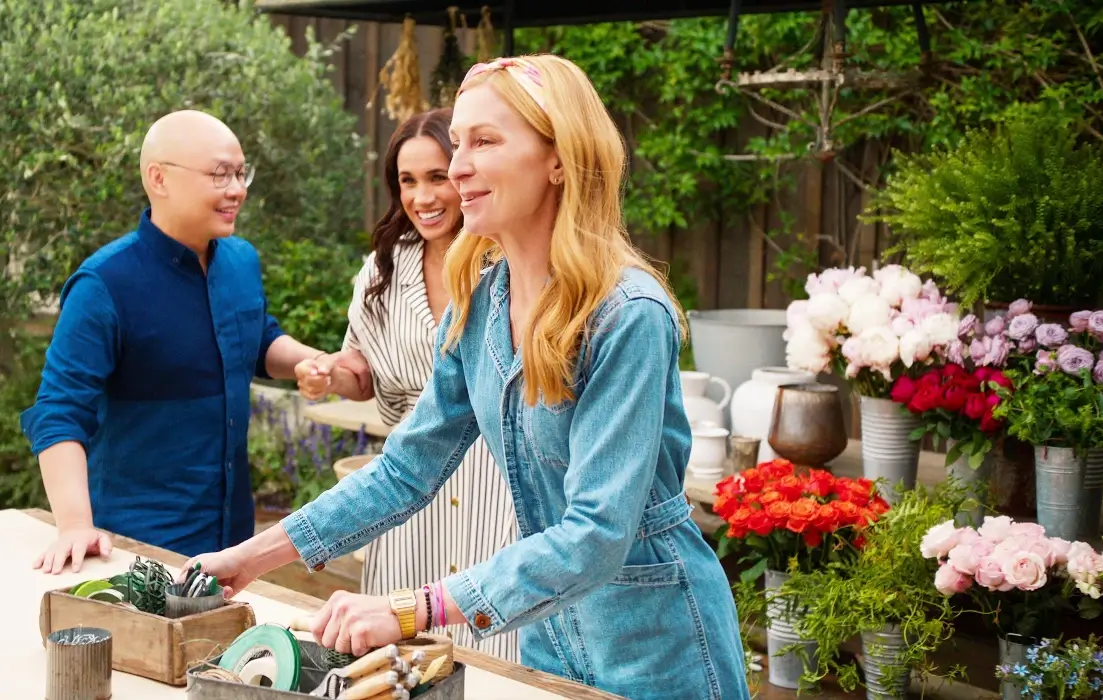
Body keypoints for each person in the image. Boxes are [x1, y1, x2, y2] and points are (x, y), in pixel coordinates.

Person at [184, 55, 750, 700]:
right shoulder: (479, 305)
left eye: (484, 142)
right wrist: (247, 559)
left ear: (559, 158)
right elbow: (404, 470)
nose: (457, 168)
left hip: (655, 645)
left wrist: (409, 611)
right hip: (545, 635)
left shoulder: (627, 315)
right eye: (459, 144)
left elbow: (595, 533)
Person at [20, 110, 355, 571]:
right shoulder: (104, 283)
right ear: (159, 178)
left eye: (241, 173)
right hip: (136, 547)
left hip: (232, 547)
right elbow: (59, 411)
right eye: (220, 174)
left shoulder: (240, 260)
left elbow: (257, 338)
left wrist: (309, 360)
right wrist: (75, 525)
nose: (237, 189)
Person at [292, 107, 520, 663]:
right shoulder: (383, 270)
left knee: (495, 646)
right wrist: (328, 373)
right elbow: (361, 370)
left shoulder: (511, 262)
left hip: (499, 490)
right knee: (397, 656)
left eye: (437, 176)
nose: (423, 197)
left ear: (466, 173)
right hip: (407, 489)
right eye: (408, 181)